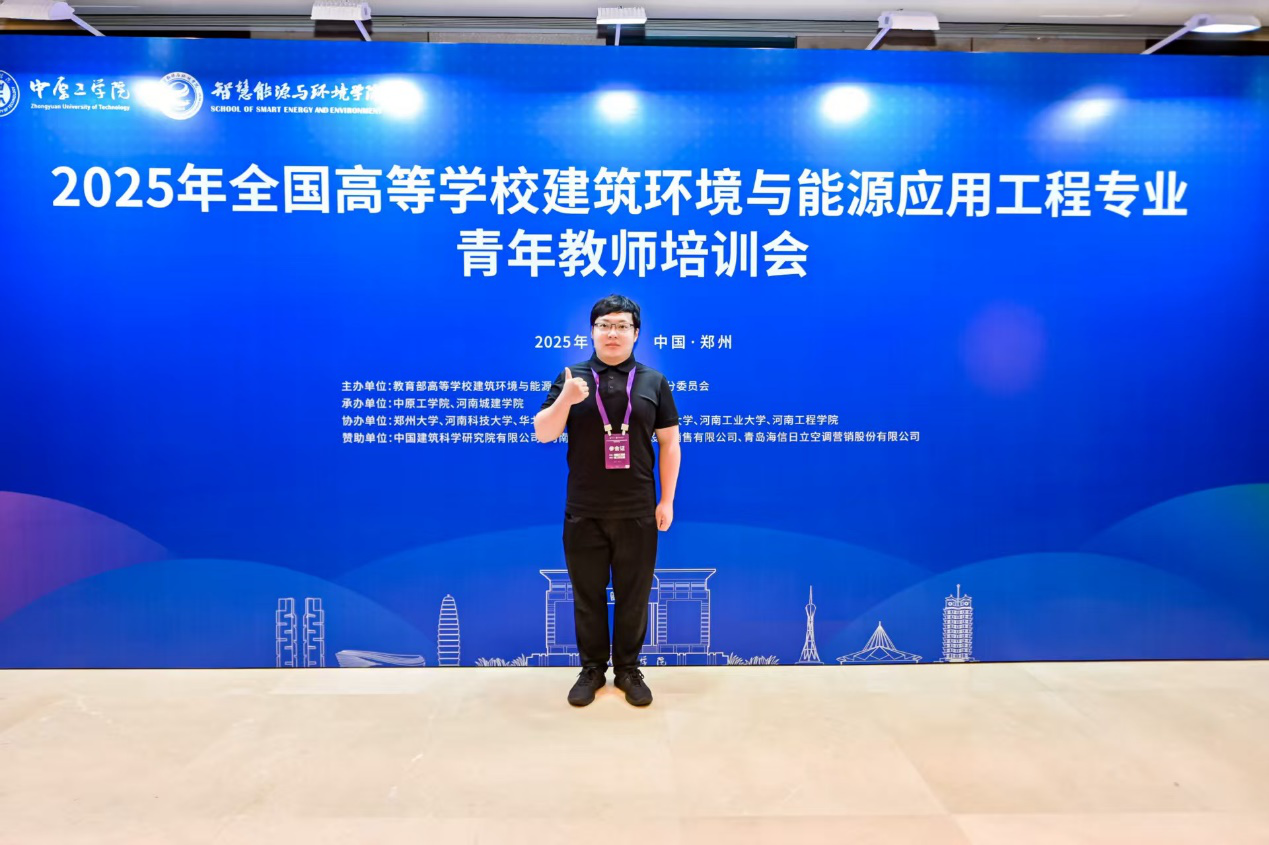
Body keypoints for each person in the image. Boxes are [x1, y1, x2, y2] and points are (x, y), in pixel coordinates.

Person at [534, 294, 681, 707]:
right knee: (588, 595)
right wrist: (566, 398)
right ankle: (592, 669)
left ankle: (629, 669)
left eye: (621, 326)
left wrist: (666, 501)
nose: (612, 333)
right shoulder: (571, 377)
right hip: (584, 510)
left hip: (637, 510)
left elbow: (670, 443)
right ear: (592, 331)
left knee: (634, 596)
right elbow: (543, 433)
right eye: (604, 325)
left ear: (636, 333)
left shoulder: (653, 381)